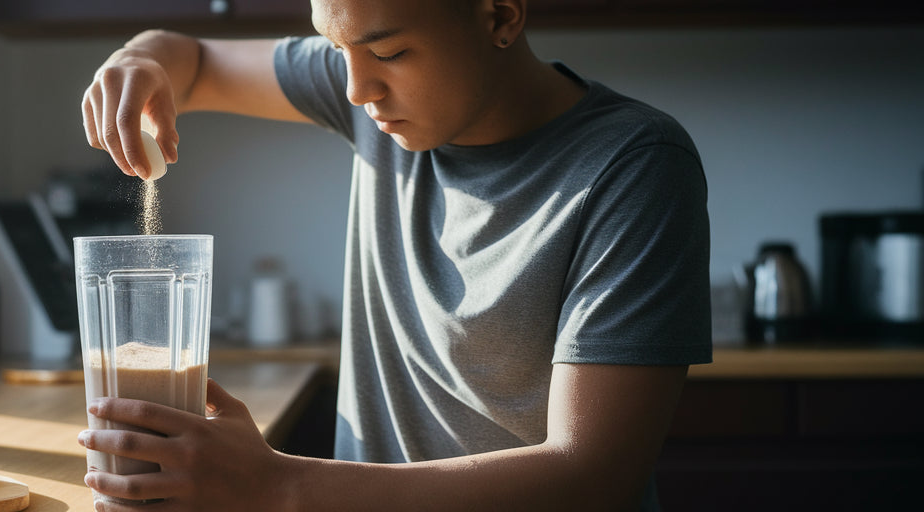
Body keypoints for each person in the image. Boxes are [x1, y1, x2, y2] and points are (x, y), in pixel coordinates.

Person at [75, 0, 711, 510]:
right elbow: (192, 59)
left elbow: (593, 477)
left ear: (500, 16)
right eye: (334, 48)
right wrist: (140, 61)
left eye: (389, 52)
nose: (354, 88)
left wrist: (276, 485)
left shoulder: (635, 165)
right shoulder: (369, 83)